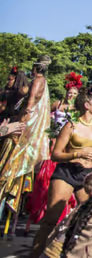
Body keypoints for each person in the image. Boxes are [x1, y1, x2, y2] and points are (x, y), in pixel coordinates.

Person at [31, 84, 92, 257]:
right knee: (51, 220)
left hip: (86, 175)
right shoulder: (71, 125)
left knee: (88, 218)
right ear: (87, 105)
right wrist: (77, 153)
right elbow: (56, 155)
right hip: (67, 173)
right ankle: (34, 255)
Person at [0, 56, 52, 222]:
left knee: (6, 171)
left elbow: (29, 105)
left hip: (20, 133)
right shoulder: (41, 82)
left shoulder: (37, 81)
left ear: (35, 68)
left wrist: (18, 126)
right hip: (17, 129)